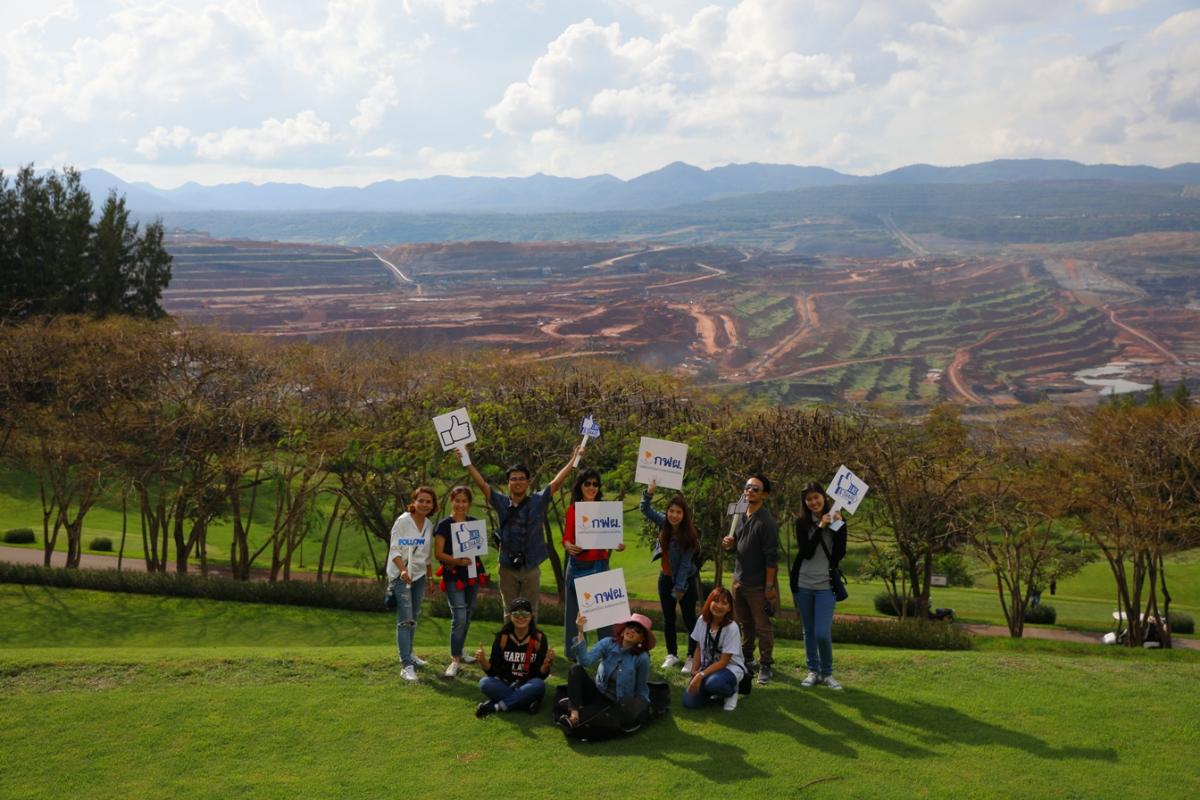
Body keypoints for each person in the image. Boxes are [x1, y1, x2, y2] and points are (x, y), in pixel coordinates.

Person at [460, 443, 580, 619]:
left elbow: (556, 482)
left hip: (531, 565)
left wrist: (574, 458)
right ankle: (508, 646)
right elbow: (482, 484)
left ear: (528, 482)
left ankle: (532, 646)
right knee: (509, 611)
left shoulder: (537, 501)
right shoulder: (501, 503)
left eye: (521, 478)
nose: (517, 482)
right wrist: (466, 460)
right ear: (508, 483)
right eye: (513, 479)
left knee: (531, 611)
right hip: (507, 567)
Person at [558, 611, 654, 740]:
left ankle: (575, 711)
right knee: (575, 669)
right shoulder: (608, 643)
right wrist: (580, 631)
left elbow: (641, 688)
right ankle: (574, 712)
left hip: (613, 703)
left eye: (638, 631)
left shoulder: (642, 658)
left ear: (641, 639)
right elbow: (585, 662)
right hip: (596, 692)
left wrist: (641, 710)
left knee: (593, 717)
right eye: (630, 626)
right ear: (623, 629)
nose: (632, 631)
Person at [721, 473, 779, 684]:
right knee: (745, 624)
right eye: (747, 487)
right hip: (739, 580)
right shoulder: (740, 514)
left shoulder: (767, 522)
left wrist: (769, 587)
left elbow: (771, 559)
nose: (750, 491)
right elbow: (738, 545)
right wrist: (730, 543)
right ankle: (747, 659)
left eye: (755, 488)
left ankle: (766, 665)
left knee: (762, 626)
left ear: (764, 494)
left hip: (758, 585)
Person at [790, 482, 847, 690]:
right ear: (805, 502)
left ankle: (827, 673)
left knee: (822, 632)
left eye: (817, 497)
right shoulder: (802, 523)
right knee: (809, 630)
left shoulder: (838, 519)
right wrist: (820, 526)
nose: (814, 502)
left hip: (826, 584)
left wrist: (839, 527)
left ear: (824, 497)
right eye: (809, 499)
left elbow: (840, 554)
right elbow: (806, 552)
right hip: (803, 582)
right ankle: (813, 671)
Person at [562, 469, 625, 653]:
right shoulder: (573, 509)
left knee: (605, 613)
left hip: (600, 565)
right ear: (580, 486)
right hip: (577, 565)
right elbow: (566, 537)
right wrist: (568, 546)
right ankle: (575, 652)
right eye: (587, 483)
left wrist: (617, 545)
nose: (591, 487)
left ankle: (607, 651)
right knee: (575, 614)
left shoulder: (606, 510)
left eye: (595, 484)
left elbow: (611, 538)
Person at [640, 479, 700, 672]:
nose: (674, 515)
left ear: (684, 515)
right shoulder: (663, 523)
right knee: (668, 618)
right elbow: (645, 509)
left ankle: (692, 656)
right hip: (664, 579)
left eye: (678, 512)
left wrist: (680, 588)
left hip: (684, 581)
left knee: (690, 619)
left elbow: (684, 565)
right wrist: (649, 492)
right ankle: (672, 654)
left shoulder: (690, 535)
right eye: (671, 511)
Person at [434, 485, 489, 678]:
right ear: (451, 501)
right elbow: (438, 553)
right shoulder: (443, 525)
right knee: (459, 617)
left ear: (469, 503)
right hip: (453, 576)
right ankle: (455, 659)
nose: (460, 504)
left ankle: (461, 650)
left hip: (472, 575)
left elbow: (479, 548)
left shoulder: (474, 523)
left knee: (468, 612)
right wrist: (457, 561)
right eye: (457, 500)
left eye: (464, 501)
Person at [388, 486, 439, 682]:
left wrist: (430, 578)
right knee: (405, 619)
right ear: (414, 502)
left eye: (429, 501)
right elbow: (394, 550)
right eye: (421, 500)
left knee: (414, 616)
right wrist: (402, 570)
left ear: (433, 505)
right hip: (400, 575)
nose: (425, 504)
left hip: (418, 577)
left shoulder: (428, 524)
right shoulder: (402, 521)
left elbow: (426, 555)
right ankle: (406, 665)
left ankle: (410, 654)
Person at [474, 597, 555, 717]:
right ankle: (526, 702)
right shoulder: (503, 637)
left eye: (525, 613)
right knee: (484, 683)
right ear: (510, 616)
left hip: (528, 684)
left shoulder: (539, 638)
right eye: (516, 613)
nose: (520, 617)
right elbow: (493, 671)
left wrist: (546, 664)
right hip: (506, 684)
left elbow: (540, 675)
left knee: (538, 685)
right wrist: (483, 661)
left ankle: (496, 706)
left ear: (531, 616)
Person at [683, 586, 746, 711]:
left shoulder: (732, 627)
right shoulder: (702, 620)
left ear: (729, 608)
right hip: (707, 667)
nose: (718, 606)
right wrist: (694, 671)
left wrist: (701, 675)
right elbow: (699, 647)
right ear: (709, 602)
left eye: (724, 603)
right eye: (715, 600)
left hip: (730, 668)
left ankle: (731, 691)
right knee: (690, 702)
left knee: (713, 683)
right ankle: (712, 691)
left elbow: (724, 662)